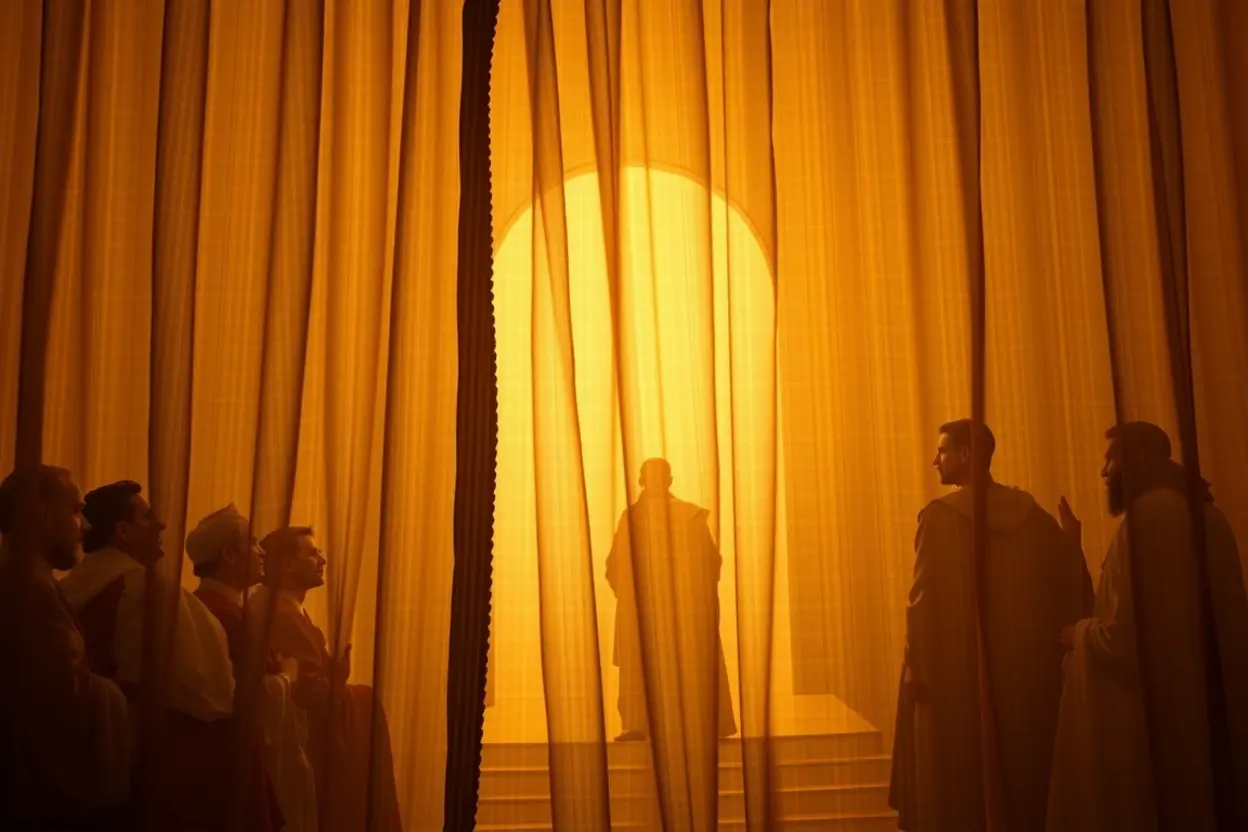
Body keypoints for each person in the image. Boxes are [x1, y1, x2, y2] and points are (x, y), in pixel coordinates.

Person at [889, 420, 1093, 832]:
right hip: (1022, 681)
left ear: (967, 456)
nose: (935, 460)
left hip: (955, 681)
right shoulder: (1032, 517)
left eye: (942, 451)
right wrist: (1072, 544)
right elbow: (1069, 596)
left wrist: (916, 666)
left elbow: (923, 602)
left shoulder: (940, 518)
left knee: (954, 787)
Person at [1046, 422, 1248, 830]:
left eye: (1111, 459)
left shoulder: (1144, 521)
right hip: (1208, 720)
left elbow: (1121, 641)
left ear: (1138, 461)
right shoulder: (1208, 516)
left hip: (1155, 729)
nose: (1104, 472)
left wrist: (1077, 636)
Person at [59, 481, 278, 830]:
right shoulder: (143, 586)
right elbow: (201, 691)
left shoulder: (67, 589)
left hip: (82, 757)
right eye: (148, 517)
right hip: (144, 762)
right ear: (124, 530)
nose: (162, 525)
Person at [605, 459, 736, 826]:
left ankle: (642, 722)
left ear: (644, 480)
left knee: (650, 664)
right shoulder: (682, 518)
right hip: (673, 612)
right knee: (666, 663)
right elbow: (712, 564)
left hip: (662, 611)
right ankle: (663, 721)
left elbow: (615, 566)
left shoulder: (651, 518)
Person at [0, 466, 130, 827]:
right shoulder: (28, 589)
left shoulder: (31, 581)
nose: (85, 526)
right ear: (43, 515)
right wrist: (121, 696)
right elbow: (64, 695)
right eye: (75, 511)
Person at [251, 525, 402, 832]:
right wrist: (345, 685)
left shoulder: (291, 611)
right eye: (313, 553)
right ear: (288, 563)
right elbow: (310, 695)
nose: (322, 560)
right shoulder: (281, 615)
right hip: (306, 750)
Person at [187, 503, 318, 832]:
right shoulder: (222, 614)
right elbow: (244, 695)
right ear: (230, 555)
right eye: (254, 543)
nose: (262, 552)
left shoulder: (222, 607)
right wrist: (287, 677)